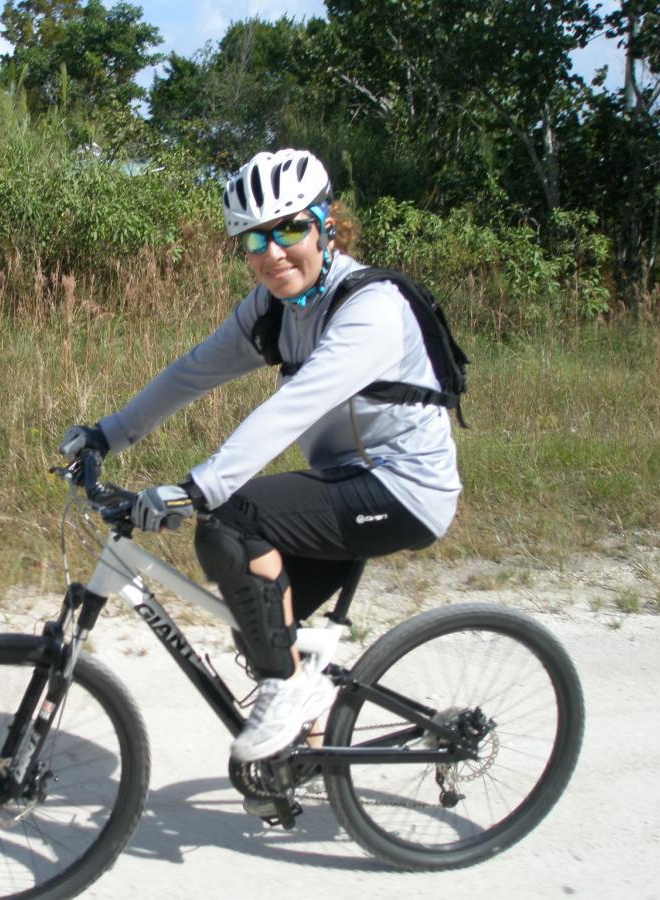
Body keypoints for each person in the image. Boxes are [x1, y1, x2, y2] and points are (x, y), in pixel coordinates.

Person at [61, 148, 461, 767]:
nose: (273, 253)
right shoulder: (275, 311)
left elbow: (294, 407)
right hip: (342, 482)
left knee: (232, 523)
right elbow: (193, 372)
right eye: (254, 239)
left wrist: (199, 488)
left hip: (403, 489)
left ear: (328, 225)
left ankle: (291, 691)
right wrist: (107, 434)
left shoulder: (373, 309)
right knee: (258, 615)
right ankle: (311, 752)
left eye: (290, 228)